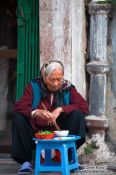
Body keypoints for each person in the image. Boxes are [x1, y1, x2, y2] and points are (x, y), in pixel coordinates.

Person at [11, 60, 89, 174]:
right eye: (52, 79)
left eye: (59, 79)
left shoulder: (68, 88)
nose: (56, 83)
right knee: (18, 116)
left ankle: (68, 158)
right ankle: (25, 162)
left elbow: (84, 106)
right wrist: (36, 112)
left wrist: (61, 109)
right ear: (45, 76)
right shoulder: (33, 86)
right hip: (36, 133)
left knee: (77, 114)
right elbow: (19, 106)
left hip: (59, 134)